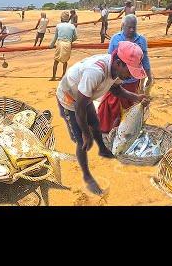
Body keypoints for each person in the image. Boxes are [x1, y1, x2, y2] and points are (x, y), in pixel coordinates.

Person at [56, 41, 150, 195]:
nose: (131, 75)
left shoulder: (116, 70)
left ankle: (102, 149)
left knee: (95, 122)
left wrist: (136, 97)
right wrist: (86, 133)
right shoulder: (96, 72)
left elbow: (116, 90)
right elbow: (80, 107)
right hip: (70, 98)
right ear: (119, 63)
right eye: (130, 70)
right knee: (82, 141)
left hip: (85, 95)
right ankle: (87, 177)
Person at [97, 14, 154, 133]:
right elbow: (110, 58)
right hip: (116, 79)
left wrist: (149, 76)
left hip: (132, 81)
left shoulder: (141, 40)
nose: (132, 30)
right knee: (113, 106)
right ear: (123, 26)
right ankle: (110, 129)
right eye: (129, 27)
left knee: (129, 106)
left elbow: (145, 59)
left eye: (134, 27)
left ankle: (126, 130)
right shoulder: (115, 39)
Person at [49, 11, 78, 80]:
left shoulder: (58, 25)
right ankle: (63, 75)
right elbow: (76, 37)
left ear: (61, 18)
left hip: (60, 43)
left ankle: (53, 77)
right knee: (65, 61)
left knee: (56, 60)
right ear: (68, 19)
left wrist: (51, 45)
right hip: (68, 44)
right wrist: (70, 40)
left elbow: (55, 37)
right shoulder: (72, 26)